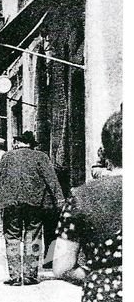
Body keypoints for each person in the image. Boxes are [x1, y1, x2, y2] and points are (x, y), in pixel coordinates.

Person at [53, 108, 122, 301]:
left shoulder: (80, 196)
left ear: (106, 151)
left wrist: (99, 275)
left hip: (103, 293)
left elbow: (61, 267)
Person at [0, 130, 63, 286]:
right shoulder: (41, 156)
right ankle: (30, 275)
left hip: (10, 202)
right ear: (31, 144)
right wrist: (60, 200)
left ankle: (15, 276)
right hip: (34, 202)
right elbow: (51, 179)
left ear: (18, 143)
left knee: (11, 236)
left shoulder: (7, 156)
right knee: (33, 236)